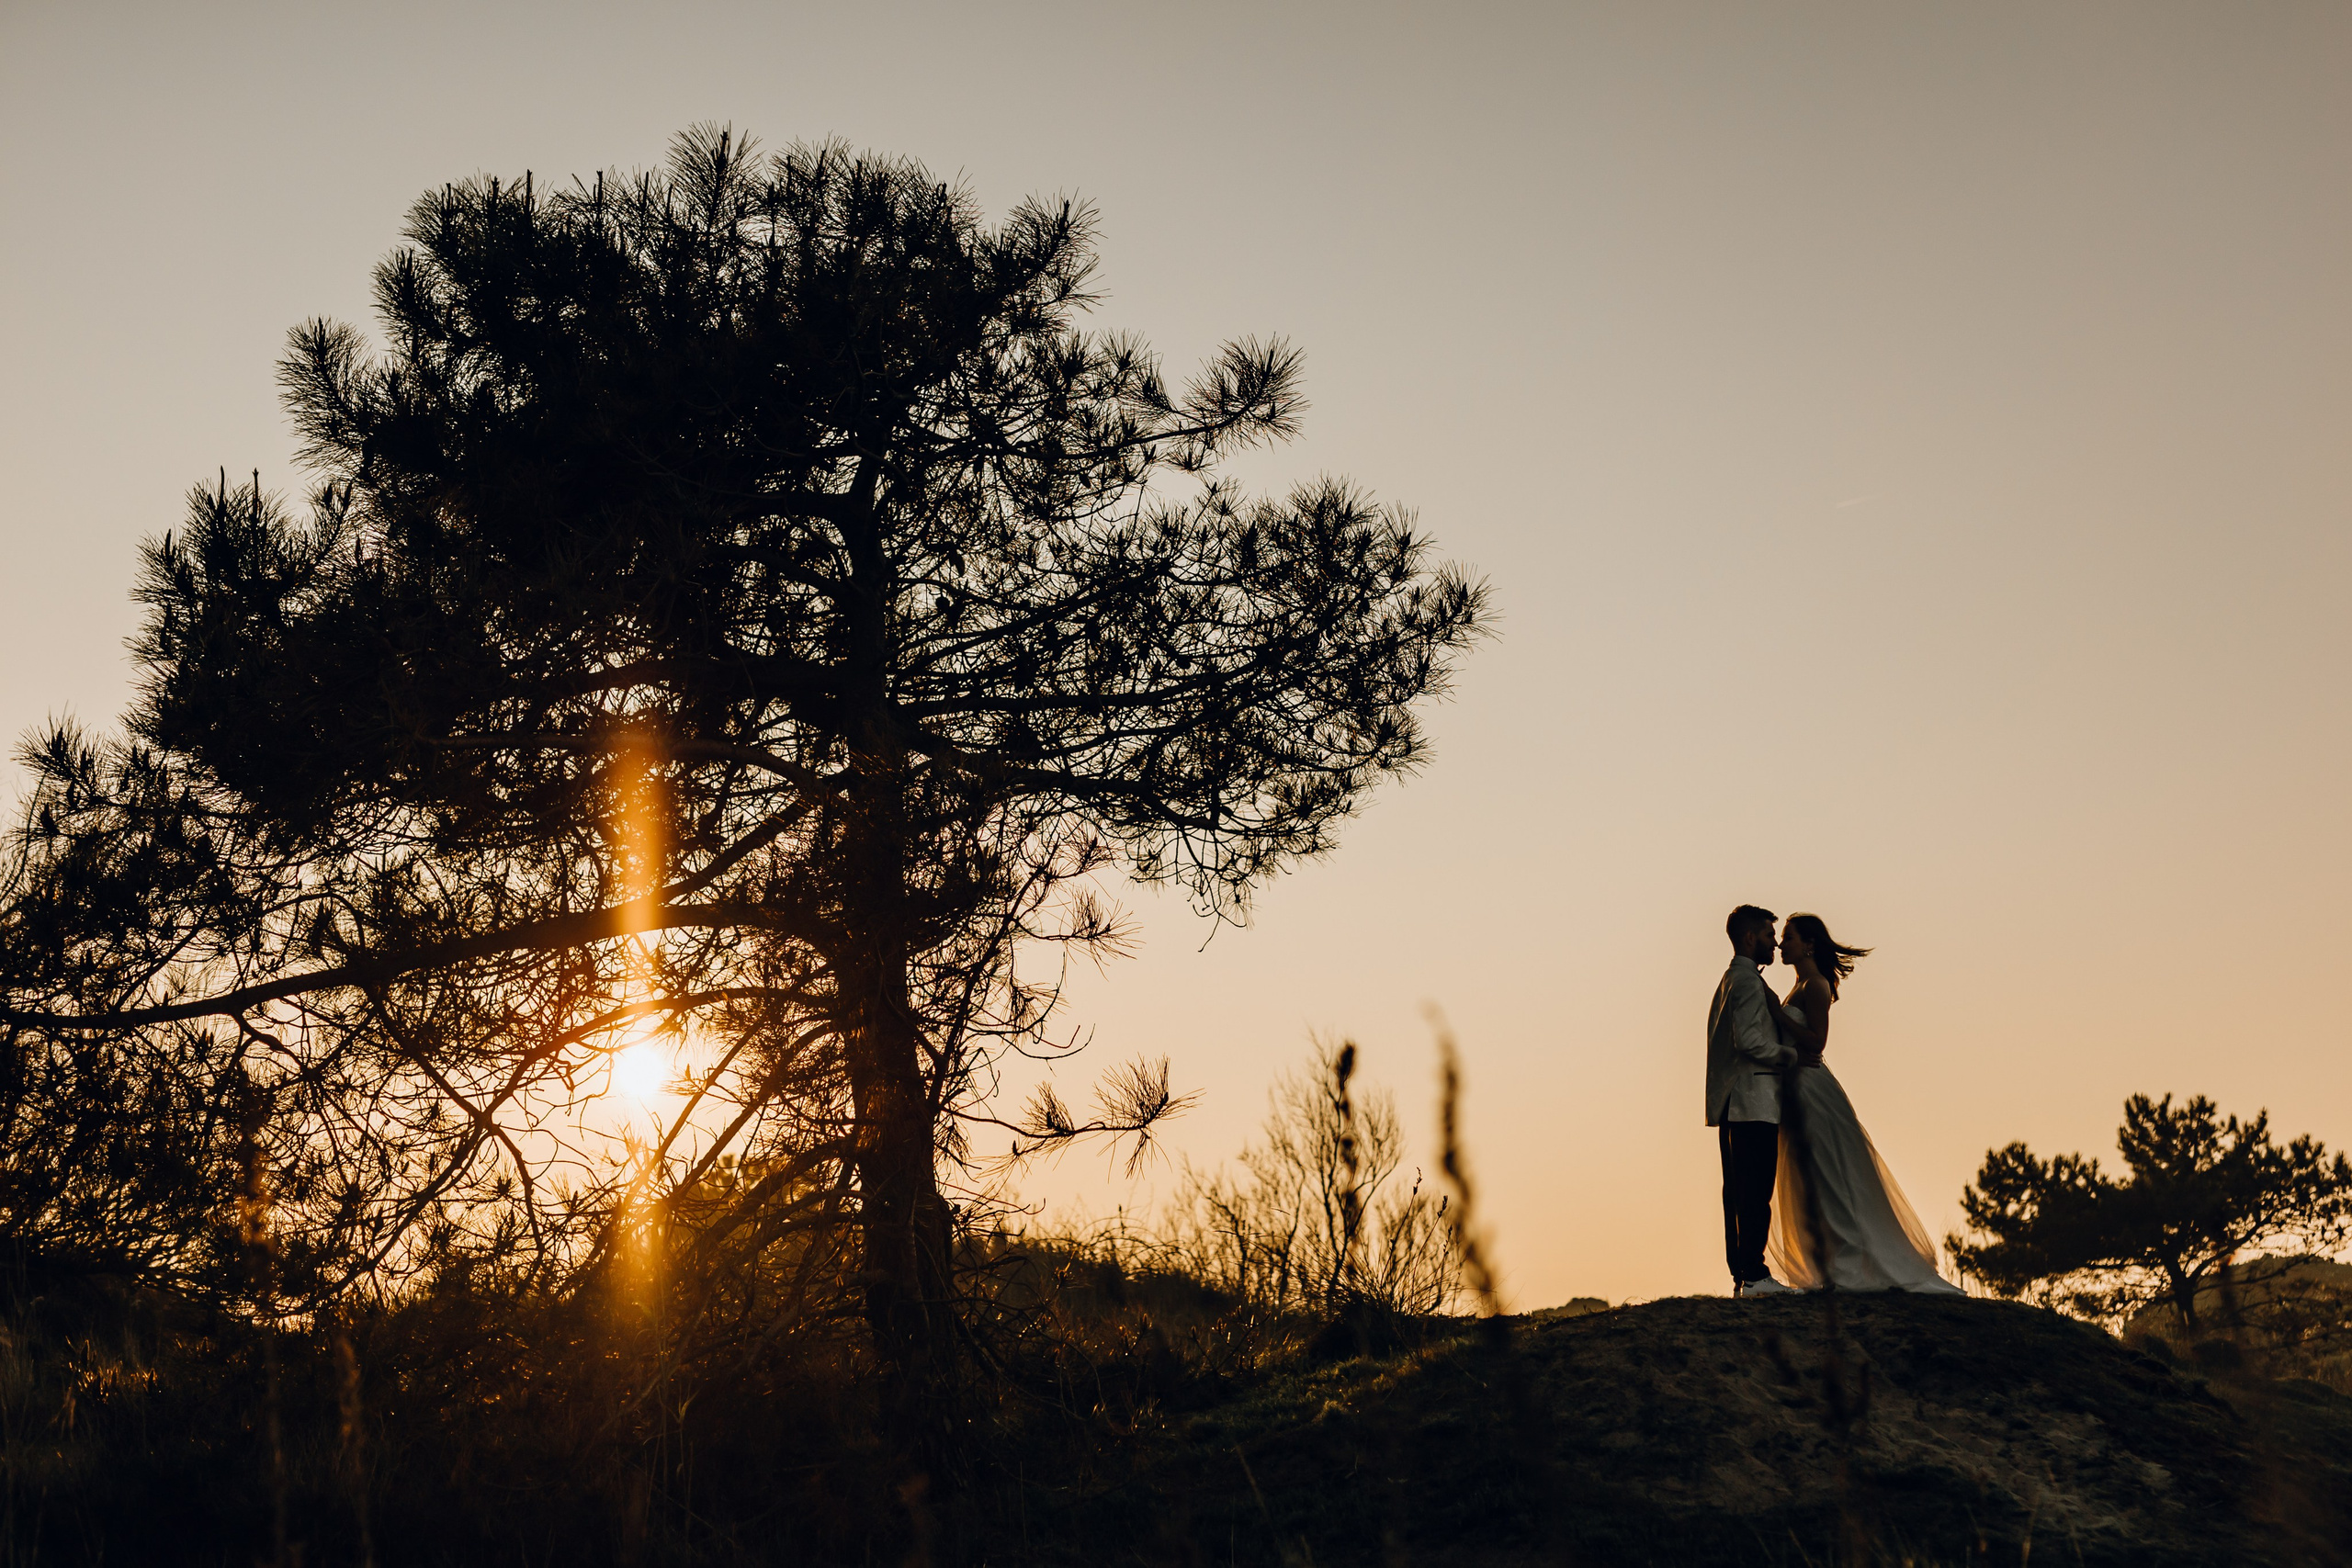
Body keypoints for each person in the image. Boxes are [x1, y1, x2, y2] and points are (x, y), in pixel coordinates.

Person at [1759, 914, 1963, 1294]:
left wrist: (1774, 1013)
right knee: (1809, 1178)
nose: (1781, 945)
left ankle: (1848, 1264)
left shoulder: (1816, 986)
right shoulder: (1799, 987)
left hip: (1812, 1089)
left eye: (1787, 938)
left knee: (1829, 1175)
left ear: (1808, 945)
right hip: (1793, 1089)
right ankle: (1824, 1264)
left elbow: (1816, 1043)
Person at [1705, 905, 1800, 1296]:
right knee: (1754, 1191)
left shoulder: (1733, 980)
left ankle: (1744, 1276)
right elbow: (1749, 1041)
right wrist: (1789, 1056)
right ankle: (1756, 1275)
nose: (1774, 942)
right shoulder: (1744, 982)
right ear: (1749, 938)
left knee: (1738, 1192)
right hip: (1750, 1099)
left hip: (1736, 1102)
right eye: (1767, 935)